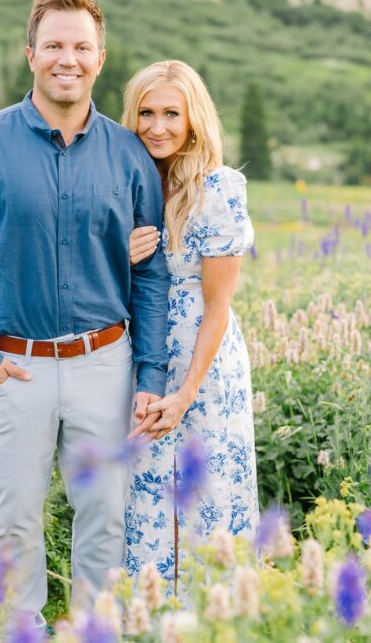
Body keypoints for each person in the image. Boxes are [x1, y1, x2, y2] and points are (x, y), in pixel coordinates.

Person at [0, 0, 170, 627]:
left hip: (104, 363)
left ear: (101, 57)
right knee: (15, 523)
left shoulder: (133, 155)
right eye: (55, 44)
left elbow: (151, 277)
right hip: (13, 368)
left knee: (104, 520)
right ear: (29, 53)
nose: (69, 57)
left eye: (81, 46)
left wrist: (150, 375)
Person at [122, 60, 258, 592]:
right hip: (140, 357)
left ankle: (215, 615)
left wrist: (184, 393)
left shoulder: (218, 189)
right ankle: (146, 615)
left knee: (207, 496)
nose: (157, 126)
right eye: (146, 113)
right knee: (145, 492)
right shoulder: (128, 181)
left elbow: (217, 306)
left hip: (204, 363)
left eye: (171, 113)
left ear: (193, 120)